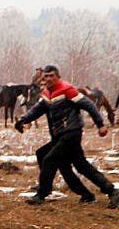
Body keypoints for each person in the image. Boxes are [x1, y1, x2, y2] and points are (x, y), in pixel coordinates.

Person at [16, 64, 114, 206]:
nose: (48, 79)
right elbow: (38, 109)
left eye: (51, 76)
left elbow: (89, 105)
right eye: (46, 76)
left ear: (58, 77)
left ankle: (42, 193)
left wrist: (100, 124)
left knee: (49, 159)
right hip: (59, 136)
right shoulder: (47, 93)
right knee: (75, 165)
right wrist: (23, 120)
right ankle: (96, 193)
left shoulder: (67, 90)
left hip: (71, 133)